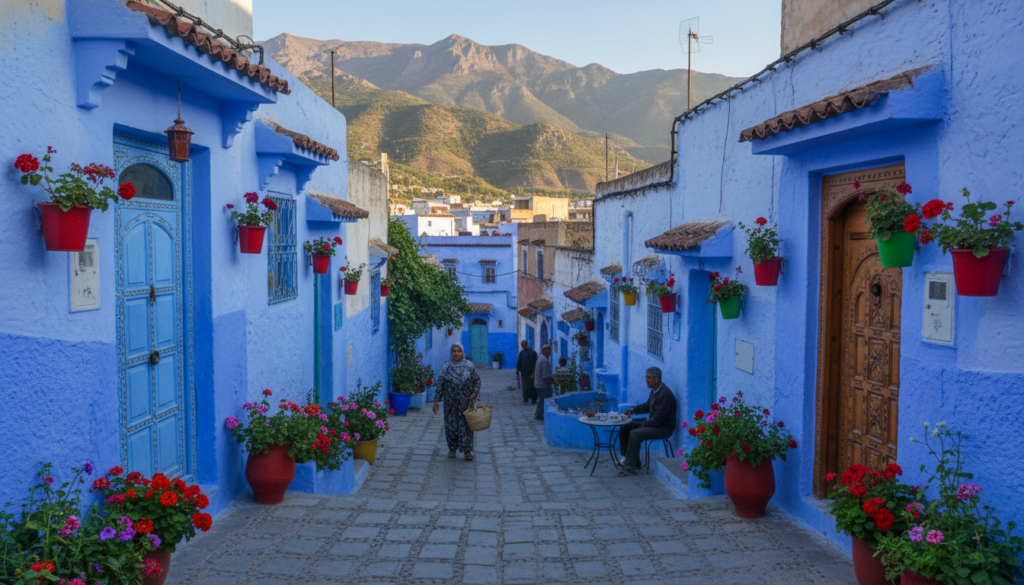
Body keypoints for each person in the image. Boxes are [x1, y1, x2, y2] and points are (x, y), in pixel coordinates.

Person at [617, 367, 677, 476]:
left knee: (635, 434)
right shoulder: (654, 391)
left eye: (649, 378)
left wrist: (643, 426)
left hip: (663, 428)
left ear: (656, 379)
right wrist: (633, 410)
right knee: (625, 426)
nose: (646, 380)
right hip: (654, 424)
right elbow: (647, 406)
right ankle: (629, 459)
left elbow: (658, 419)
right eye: (646, 377)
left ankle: (631, 467)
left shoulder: (665, 394)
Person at [432, 343, 481, 461]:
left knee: (466, 426)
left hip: (466, 402)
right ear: (451, 352)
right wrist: (436, 400)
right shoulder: (446, 366)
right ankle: (452, 449)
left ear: (462, 352)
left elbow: (477, 381)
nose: (456, 353)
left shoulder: (469, 366)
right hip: (450, 404)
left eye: (459, 351)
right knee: (451, 426)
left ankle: (467, 450)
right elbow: (440, 384)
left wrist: (474, 393)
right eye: (454, 351)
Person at [532, 344, 554, 420]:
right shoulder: (544, 361)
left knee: (541, 400)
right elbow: (545, 376)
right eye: (549, 349)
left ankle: (538, 413)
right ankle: (540, 414)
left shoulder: (540, 358)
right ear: (546, 351)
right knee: (544, 400)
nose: (550, 351)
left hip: (538, 383)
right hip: (543, 385)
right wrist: (552, 381)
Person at [516, 340, 538, 404]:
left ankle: (532, 399)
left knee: (531, 386)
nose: (523, 346)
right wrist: (518, 370)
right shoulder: (522, 353)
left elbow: (535, 362)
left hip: (530, 372)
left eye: (524, 344)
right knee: (526, 386)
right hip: (525, 372)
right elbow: (519, 362)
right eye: (522, 344)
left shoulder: (531, 353)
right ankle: (527, 398)